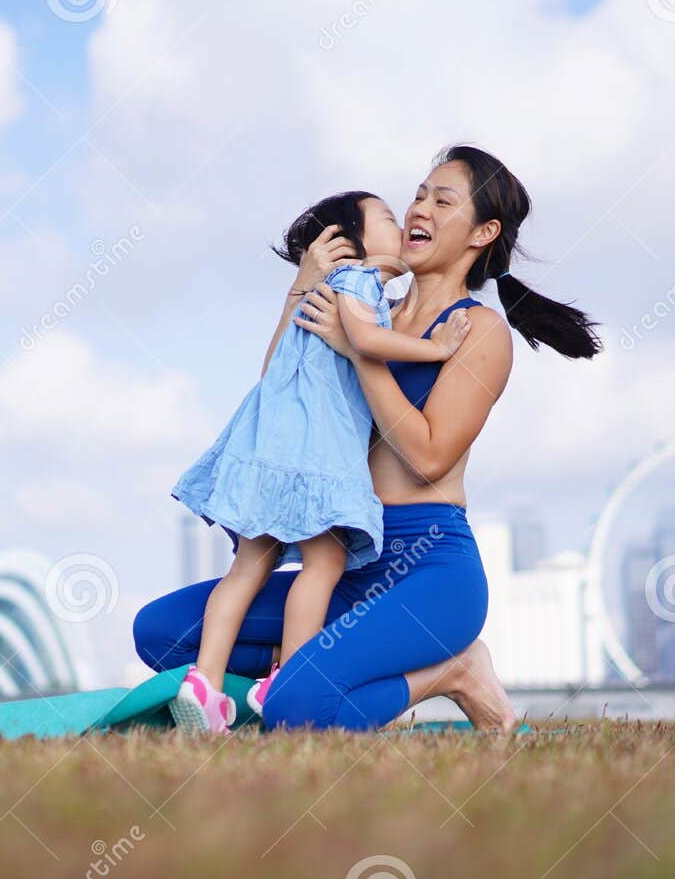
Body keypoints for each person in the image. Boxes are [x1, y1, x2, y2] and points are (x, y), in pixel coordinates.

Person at [136, 145, 601, 732]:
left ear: (484, 232)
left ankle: (452, 671)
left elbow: (430, 456)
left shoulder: (476, 331)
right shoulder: (367, 307)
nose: (419, 209)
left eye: (443, 200)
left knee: (297, 709)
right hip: (345, 559)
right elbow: (283, 401)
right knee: (161, 632)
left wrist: (359, 353)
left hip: (428, 568)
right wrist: (300, 290)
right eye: (419, 194)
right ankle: (308, 679)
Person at [168, 191, 470, 734]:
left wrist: (301, 287)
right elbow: (366, 340)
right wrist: (438, 350)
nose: (401, 219)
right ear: (347, 242)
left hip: (265, 454)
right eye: (384, 217)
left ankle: (205, 683)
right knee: (324, 565)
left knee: (247, 568)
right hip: (316, 460)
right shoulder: (358, 284)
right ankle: (290, 672)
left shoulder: (323, 290)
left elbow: (274, 370)